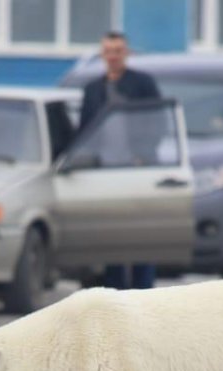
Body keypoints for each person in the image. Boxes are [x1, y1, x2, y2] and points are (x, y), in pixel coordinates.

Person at [80, 31, 161, 290]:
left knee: (142, 236)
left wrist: (142, 155)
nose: (113, 56)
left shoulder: (143, 84)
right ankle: (114, 292)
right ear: (102, 55)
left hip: (138, 172)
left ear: (126, 53)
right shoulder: (93, 90)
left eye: (118, 51)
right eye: (108, 51)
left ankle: (143, 292)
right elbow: (85, 132)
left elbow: (157, 122)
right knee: (111, 238)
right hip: (105, 175)